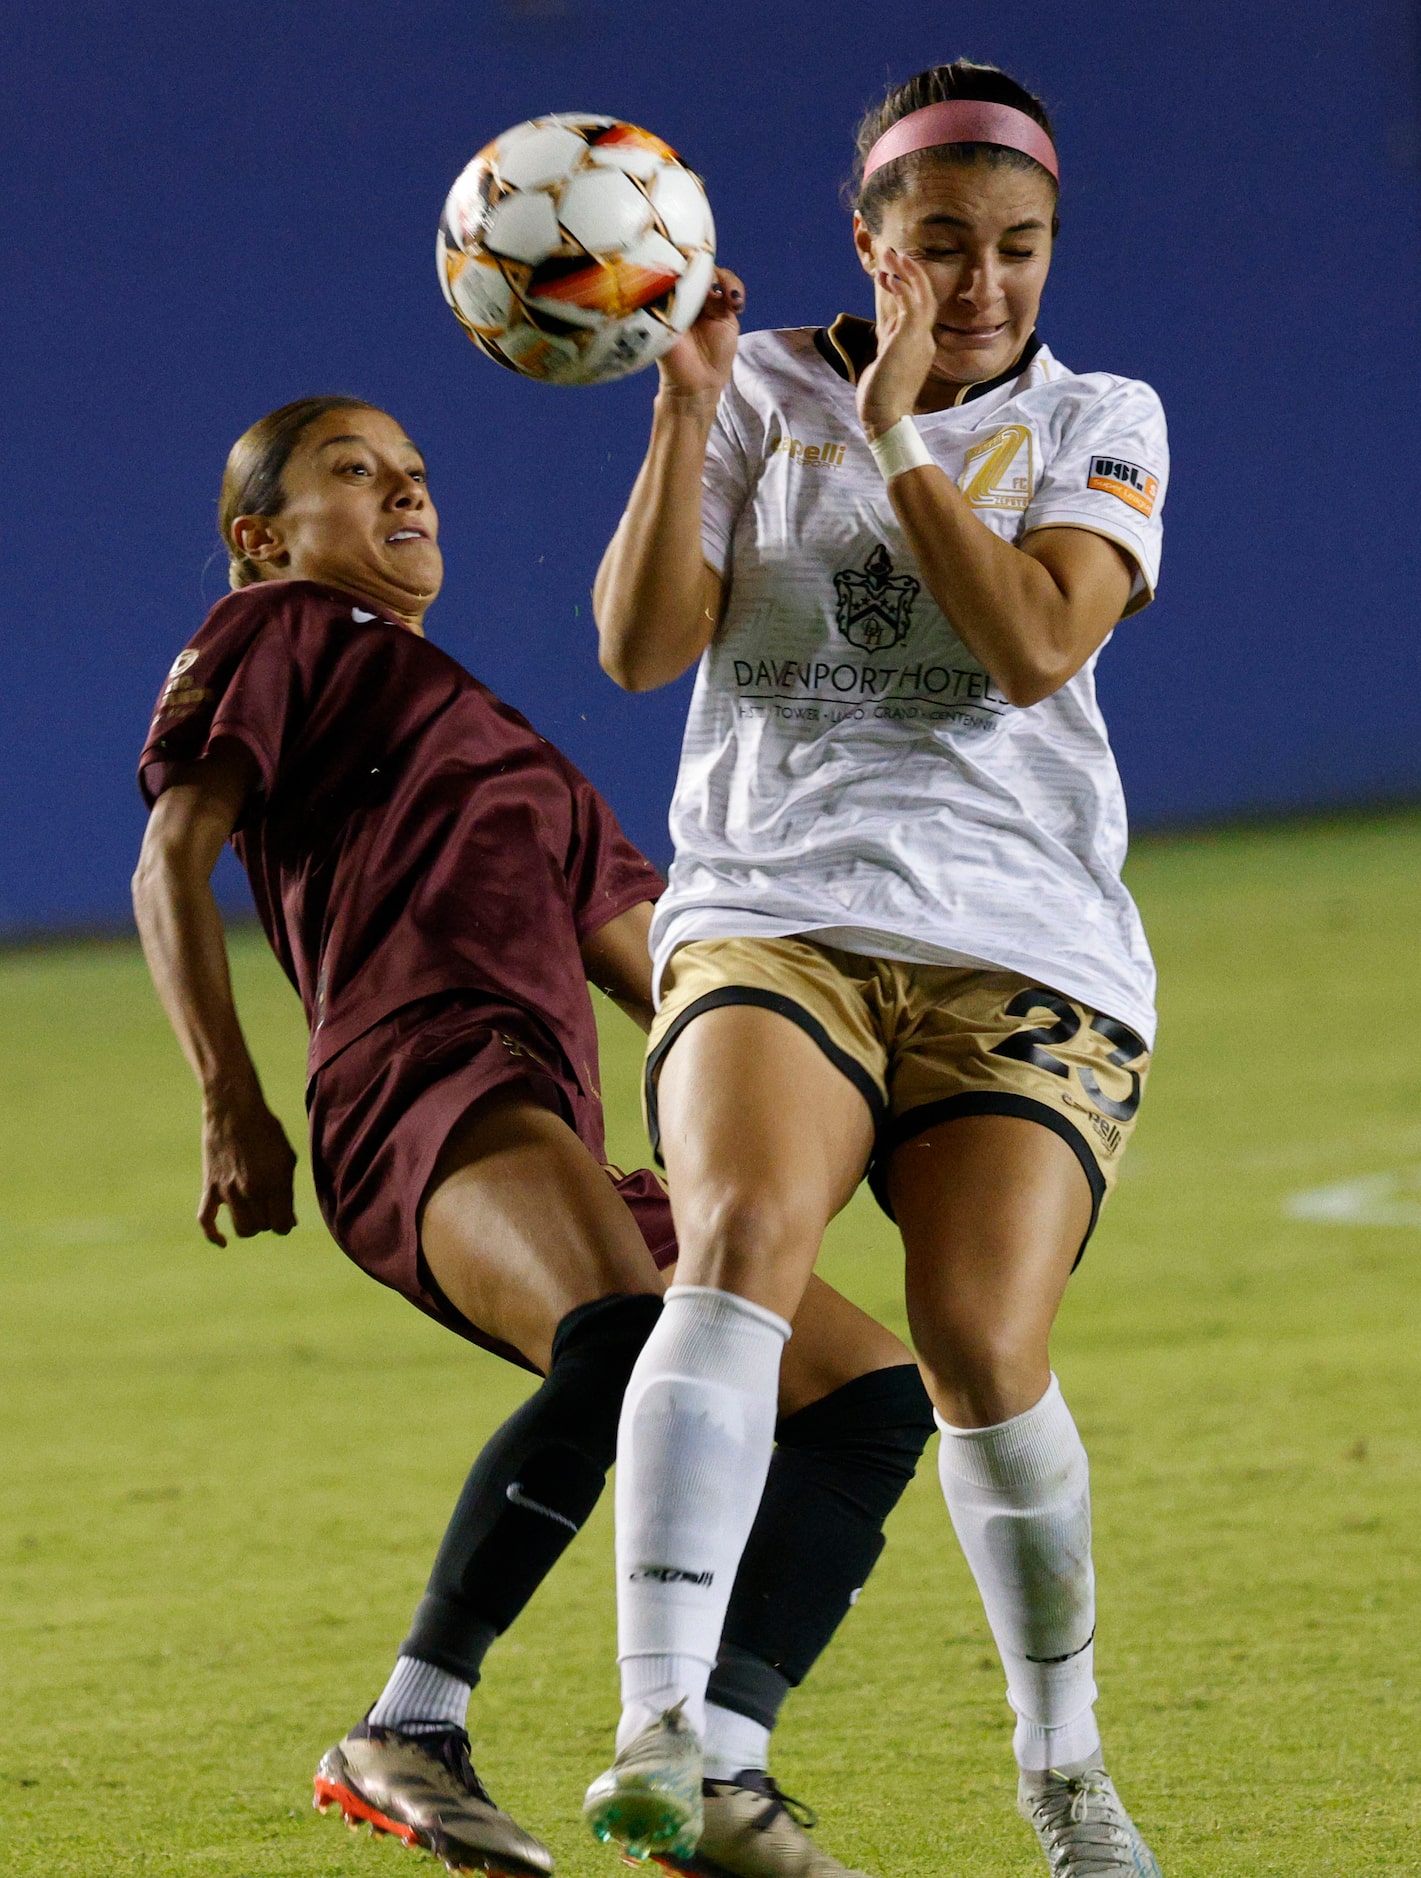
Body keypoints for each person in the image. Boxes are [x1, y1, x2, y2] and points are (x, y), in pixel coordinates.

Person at [131, 395, 937, 1878]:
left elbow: (680, 990)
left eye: (417, 473)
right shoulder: (277, 630)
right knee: (627, 1330)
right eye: (353, 472)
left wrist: (861, 1107)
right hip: (417, 1082)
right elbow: (169, 858)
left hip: (549, 1125)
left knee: (867, 1397)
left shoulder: (514, 750)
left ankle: (719, 1762)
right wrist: (228, 1096)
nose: (404, 494)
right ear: (260, 539)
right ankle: (408, 1724)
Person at [583, 59, 1169, 1878]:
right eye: (941, 247)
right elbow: (633, 649)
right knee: (739, 1235)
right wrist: (684, 412)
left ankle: (1062, 1766)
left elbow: (1027, 646)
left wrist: (904, 429)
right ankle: (665, 1719)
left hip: (1023, 942)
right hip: (776, 908)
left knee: (980, 1344)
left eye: (1016, 248)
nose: (983, 281)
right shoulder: (756, 388)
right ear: (869, 243)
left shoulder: (1106, 416)